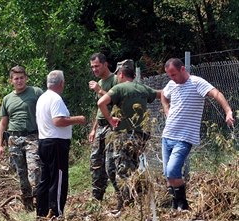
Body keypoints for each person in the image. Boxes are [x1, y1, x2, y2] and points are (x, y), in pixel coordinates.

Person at [161, 58, 235, 210]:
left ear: (182, 69)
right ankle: (175, 206)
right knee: (168, 174)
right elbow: (163, 95)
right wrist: (166, 110)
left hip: (184, 137)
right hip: (167, 135)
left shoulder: (196, 83)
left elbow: (216, 94)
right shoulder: (171, 84)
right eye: (169, 75)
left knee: (172, 170)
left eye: (174, 74)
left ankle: (183, 204)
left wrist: (228, 111)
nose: (172, 78)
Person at [97, 59, 161, 212]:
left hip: (123, 135)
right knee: (132, 167)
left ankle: (129, 205)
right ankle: (134, 201)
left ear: (120, 74)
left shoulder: (119, 88)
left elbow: (101, 102)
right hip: (141, 135)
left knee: (121, 170)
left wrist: (111, 120)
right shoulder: (142, 88)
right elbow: (161, 94)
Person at [35, 70, 85, 221]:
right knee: (58, 177)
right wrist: (78, 119)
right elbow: (58, 121)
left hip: (44, 141)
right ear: (62, 83)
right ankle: (56, 213)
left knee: (46, 178)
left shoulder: (42, 98)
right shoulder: (55, 99)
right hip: (56, 142)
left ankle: (41, 212)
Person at [0, 65, 44, 210]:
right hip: (14, 139)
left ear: (26, 78)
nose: (19, 81)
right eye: (16, 78)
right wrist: (0, 145)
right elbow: (3, 123)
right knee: (21, 174)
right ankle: (28, 206)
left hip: (32, 137)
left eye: (22, 78)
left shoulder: (36, 92)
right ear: (11, 81)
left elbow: (47, 109)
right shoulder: (7, 99)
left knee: (34, 169)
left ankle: (41, 202)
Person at [88, 53, 119, 201]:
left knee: (111, 165)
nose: (94, 69)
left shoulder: (114, 80)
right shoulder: (100, 81)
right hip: (100, 127)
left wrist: (99, 90)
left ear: (105, 64)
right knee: (95, 164)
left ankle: (122, 198)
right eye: (92, 67)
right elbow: (100, 108)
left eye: (97, 66)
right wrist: (94, 128)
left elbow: (115, 102)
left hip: (111, 126)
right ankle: (97, 199)